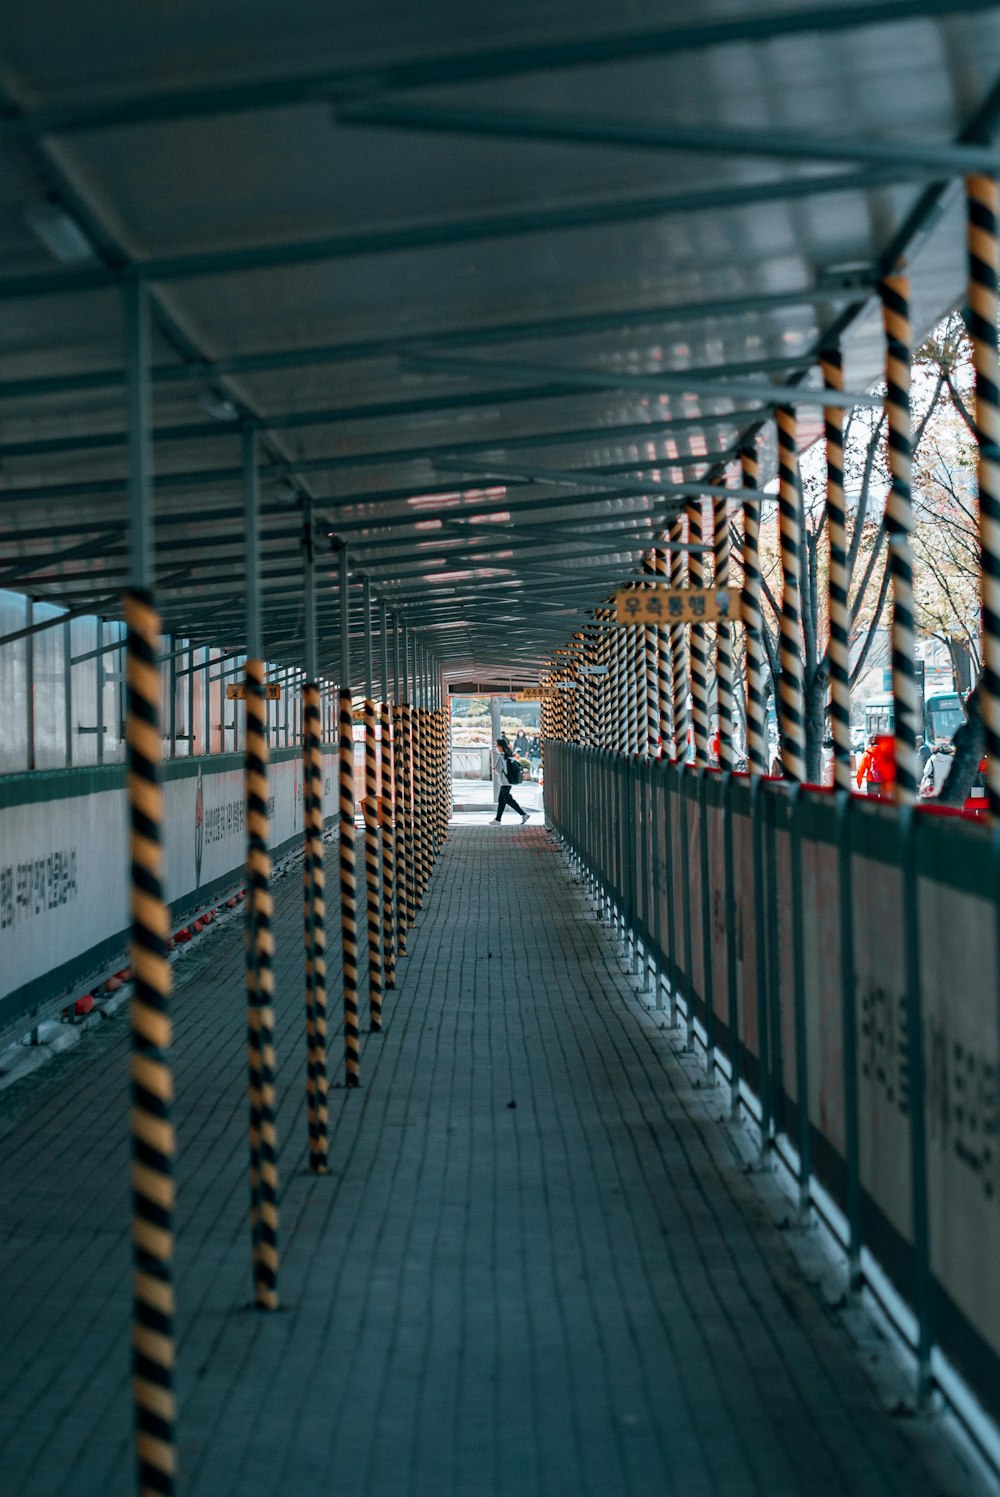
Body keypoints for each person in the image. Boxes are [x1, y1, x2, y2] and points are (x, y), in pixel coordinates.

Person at [493, 737, 530, 824]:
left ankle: (524, 814)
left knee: (508, 800)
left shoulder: (501, 757)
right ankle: (497, 820)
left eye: (497, 746)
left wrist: (494, 770)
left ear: (501, 747)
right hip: (508, 781)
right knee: (502, 801)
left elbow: (498, 769)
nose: (496, 747)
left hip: (504, 782)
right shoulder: (509, 756)